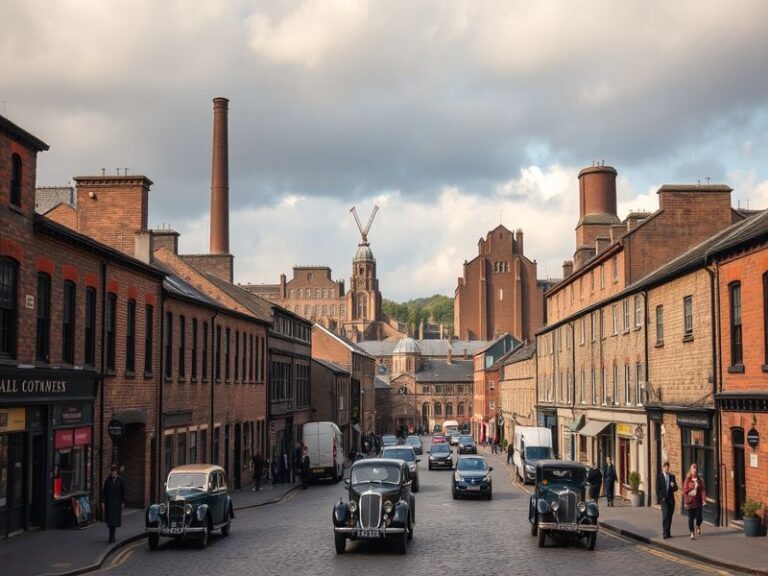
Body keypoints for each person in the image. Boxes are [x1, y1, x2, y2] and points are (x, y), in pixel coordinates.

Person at [101, 464, 125, 544]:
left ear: (117, 472)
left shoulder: (120, 480)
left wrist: (123, 502)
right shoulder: (108, 480)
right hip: (109, 502)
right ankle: (111, 536)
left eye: (114, 472)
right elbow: (104, 491)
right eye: (112, 472)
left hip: (117, 503)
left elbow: (123, 492)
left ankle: (112, 536)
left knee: (114, 521)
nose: (113, 473)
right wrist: (103, 502)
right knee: (110, 521)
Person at [683, 463, 706, 539]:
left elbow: (703, 490)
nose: (694, 471)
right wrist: (692, 487)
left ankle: (698, 525)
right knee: (691, 518)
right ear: (690, 470)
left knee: (699, 518)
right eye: (692, 469)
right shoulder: (688, 480)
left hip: (698, 502)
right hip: (690, 502)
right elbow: (685, 490)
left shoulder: (700, 480)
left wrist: (703, 499)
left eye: (695, 470)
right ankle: (692, 533)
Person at [656, 461, 678, 539]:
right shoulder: (659, 477)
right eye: (665, 467)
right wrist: (661, 498)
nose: (667, 468)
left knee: (669, 516)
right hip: (664, 500)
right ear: (663, 468)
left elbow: (676, 488)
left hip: (671, 500)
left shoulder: (672, 476)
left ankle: (668, 532)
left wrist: (673, 485)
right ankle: (664, 533)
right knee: (665, 516)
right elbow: (658, 489)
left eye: (668, 467)